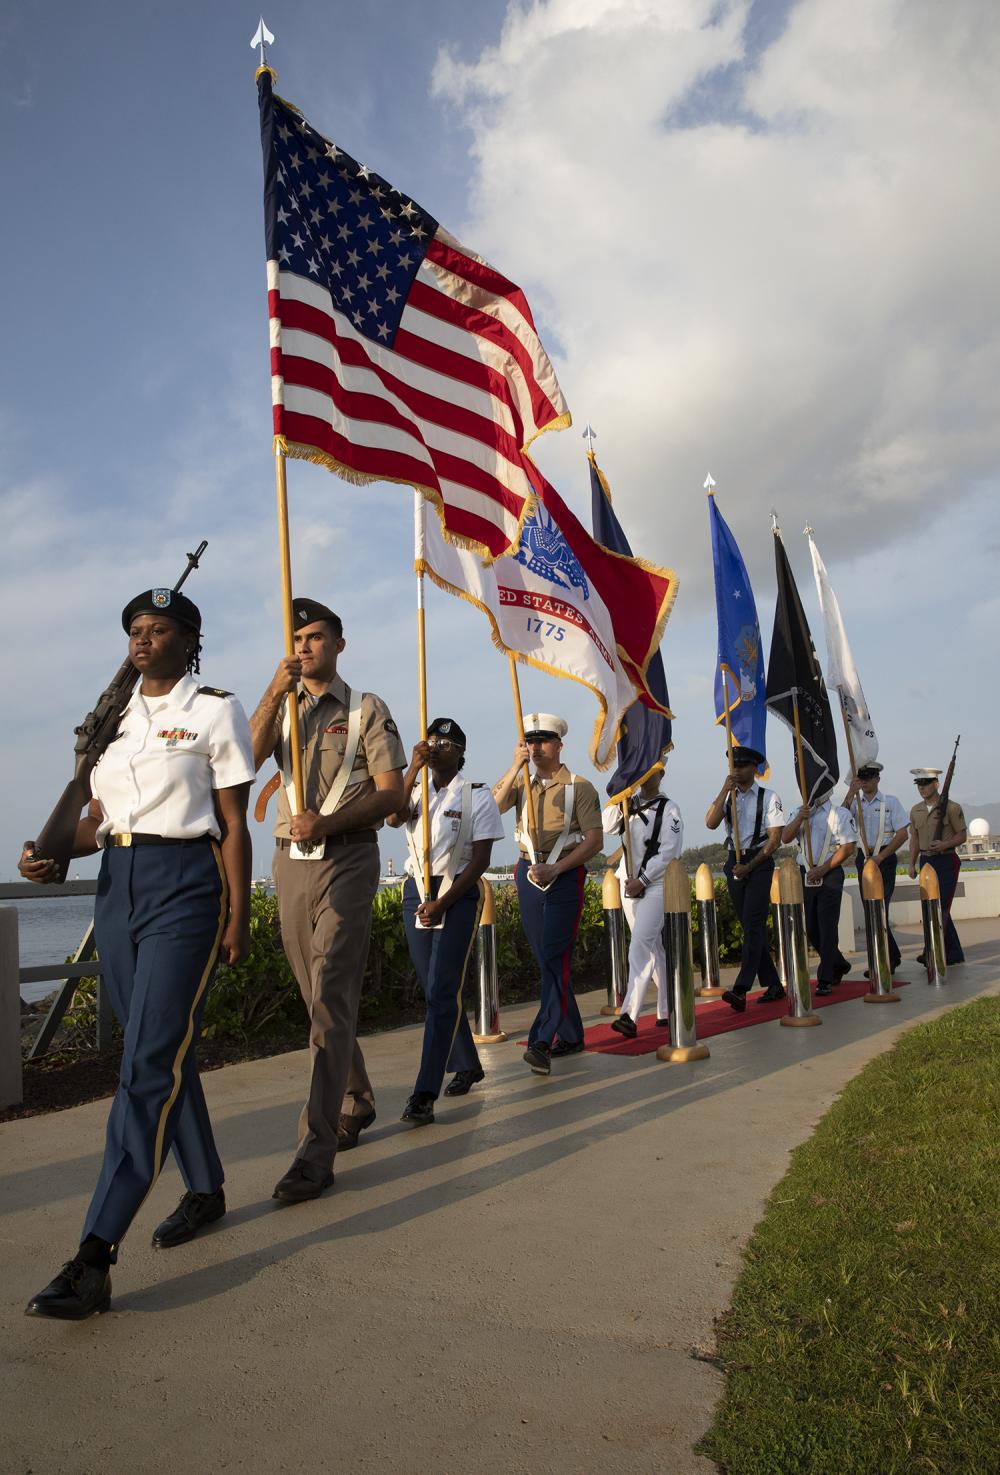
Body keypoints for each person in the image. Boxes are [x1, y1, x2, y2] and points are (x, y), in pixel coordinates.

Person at [20, 588, 254, 1320]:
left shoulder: (214, 709)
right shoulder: (113, 723)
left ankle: (94, 1252)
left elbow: (233, 822)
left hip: (185, 886)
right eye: (134, 631)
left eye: (158, 629)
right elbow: (96, 820)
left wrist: (238, 913)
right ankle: (206, 1184)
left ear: (191, 640)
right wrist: (48, 853)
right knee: (156, 1050)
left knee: (146, 1064)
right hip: (114, 888)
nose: (142, 639)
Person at [250, 599, 405, 1203]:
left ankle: (314, 1152)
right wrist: (271, 691)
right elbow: (245, 759)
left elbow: (391, 795)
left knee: (332, 992)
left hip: (349, 858)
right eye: (297, 639)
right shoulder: (282, 708)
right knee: (316, 996)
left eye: (316, 637)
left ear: (339, 644)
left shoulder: (367, 710)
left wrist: (331, 819)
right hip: (290, 864)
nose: (306, 647)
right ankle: (357, 1097)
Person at [387, 718, 504, 1124]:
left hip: (456, 892)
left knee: (441, 991)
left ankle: (424, 1092)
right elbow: (393, 817)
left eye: (446, 743)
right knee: (434, 989)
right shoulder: (416, 788)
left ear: (460, 752)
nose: (436, 747)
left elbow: (482, 860)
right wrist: (411, 769)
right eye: (431, 740)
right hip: (415, 890)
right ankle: (467, 1063)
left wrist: (444, 902)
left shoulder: (476, 796)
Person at [493, 713, 603, 1075]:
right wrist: (513, 766)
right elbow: (493, 809)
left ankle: (542, 1040)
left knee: (556, 958)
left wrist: (557, 868)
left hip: (564, 876)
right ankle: (571, 1035)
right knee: (547, 960)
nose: (536, 747)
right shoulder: (521, 783)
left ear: (558, 745)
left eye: (543, 741)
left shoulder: (580, 787)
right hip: (526, 873)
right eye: (529, 741)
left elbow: (594, 840)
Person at [602, 773, 683, 1038]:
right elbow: (607, 826)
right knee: (652, 947)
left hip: (655, 884)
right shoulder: (628, 804)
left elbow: (669, 852)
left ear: (661, 775)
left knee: (639, 944)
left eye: (652, 772)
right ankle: (667, 1007)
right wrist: (622, 794)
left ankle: (629, 1015)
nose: (647, 777)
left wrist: (644, 879)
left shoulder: (669, 808)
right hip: (629, 882)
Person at [705, 747, 785, 1013]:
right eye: (733, 765)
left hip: (758, 862)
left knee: (753, 923)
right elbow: (710, 823)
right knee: (750, 926)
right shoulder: (728, 798)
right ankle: (773, 984)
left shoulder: (768, 796)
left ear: (754, 768)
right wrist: (723, 790)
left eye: (741, 765)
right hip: (734, 860)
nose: (736, 770)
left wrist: (750, 866)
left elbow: (775, 839)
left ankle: (741, 988)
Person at [781, 794, 856, 995]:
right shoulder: (799, 812)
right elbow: (785, 837)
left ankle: (825, 978)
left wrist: (823, 869)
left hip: (829, 872)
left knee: (827, 926)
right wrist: (800, 818)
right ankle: (838, 964)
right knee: (812, 928)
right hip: (806, 873)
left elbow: (848, 847)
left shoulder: (839, 813)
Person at [842, 762, 908, 974]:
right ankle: (890, 957)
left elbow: (902, 834)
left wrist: (880, 857)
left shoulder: (891, 802)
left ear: (877, 779)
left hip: (884, 858)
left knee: (880, 908)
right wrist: (850, 793)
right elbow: (840, 821)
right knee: (870, 910)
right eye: (862, 778)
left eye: (869, 778)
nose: (865, 782)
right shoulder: (856, 804)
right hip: (864, 857)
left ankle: (882, 962)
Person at [908, 767, 966, 965]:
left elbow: (962, 835)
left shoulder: (951, 807)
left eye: (925, 784)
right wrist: (911, 863)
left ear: (936, 784)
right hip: (926, 861)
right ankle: (954, 952)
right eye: (919, 785)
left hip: (946, 860)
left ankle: (931, 950)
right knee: (929, 908)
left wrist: (945, 844)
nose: (922, 788)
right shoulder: (915, 810)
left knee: (941, 908)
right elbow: (914, 838)